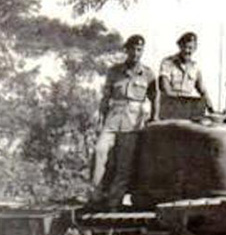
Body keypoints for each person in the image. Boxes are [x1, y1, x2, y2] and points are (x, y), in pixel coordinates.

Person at [92, 34, 157, 208]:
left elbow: (155, 97)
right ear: (126, 50)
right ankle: (96, 195)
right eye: (133, 49)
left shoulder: (148, 74)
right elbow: (106, 97)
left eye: (139, 49)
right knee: (100, 150)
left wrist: (154, 118)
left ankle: (114, 201)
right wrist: (100, 119)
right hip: (113, 118)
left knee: (124, 163)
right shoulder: (114, 71)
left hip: (134, 121)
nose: (136, 53)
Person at [159, 32, 214, 112]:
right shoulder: (167, 63)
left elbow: (202, 90)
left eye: (190, 48)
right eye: (185, 47)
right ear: (180, 46)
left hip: (187, 108)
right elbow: (165, 87)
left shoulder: (195, 67)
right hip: (170, 106)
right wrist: (178, 102)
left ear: (195, 48)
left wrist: (211, 108)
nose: (187, 51)